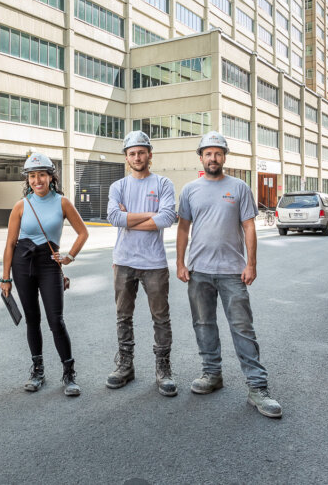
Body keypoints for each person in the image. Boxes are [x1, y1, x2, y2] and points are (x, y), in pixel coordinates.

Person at [176, 131, 283, 419]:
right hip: (199, 271)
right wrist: (180, 263)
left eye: (218, 153)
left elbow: (249, 227)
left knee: (242, 328)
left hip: (232, 272)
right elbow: (183, 228)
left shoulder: (239, 188)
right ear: (201, 157)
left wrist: (252, 264)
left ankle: (258, 388)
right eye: (208, 153)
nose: (213, 158)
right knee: (203, 324)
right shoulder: (189, 190)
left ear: (225, 157)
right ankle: (212, 374)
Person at [0, 153, 89, 396]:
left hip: (49, 265)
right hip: (22, 264)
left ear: (51, 176)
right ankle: (37, 371)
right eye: (32, 176)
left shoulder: (62, 202)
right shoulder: (21, 206)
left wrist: (69, 256)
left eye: (41, 174)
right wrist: (5, 278)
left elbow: (83, 233)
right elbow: (10, 244)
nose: (37, 180)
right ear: (27, 179)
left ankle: (69, 374)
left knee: (56, 320)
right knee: (32, 320)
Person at [105, 131, 178, 396]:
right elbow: (114, 217)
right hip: (123, 261)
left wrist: (130, 217)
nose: (137, 157)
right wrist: (151, 214)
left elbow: (168, 217)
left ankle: (163, 368)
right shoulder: (118, 186)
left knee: (161, 317)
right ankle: (126, 365)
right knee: (123, 316)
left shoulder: (163, 183)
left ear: (149, 154)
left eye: (141, 152)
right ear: (126, 157)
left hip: (154, 263)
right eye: (132, 153)